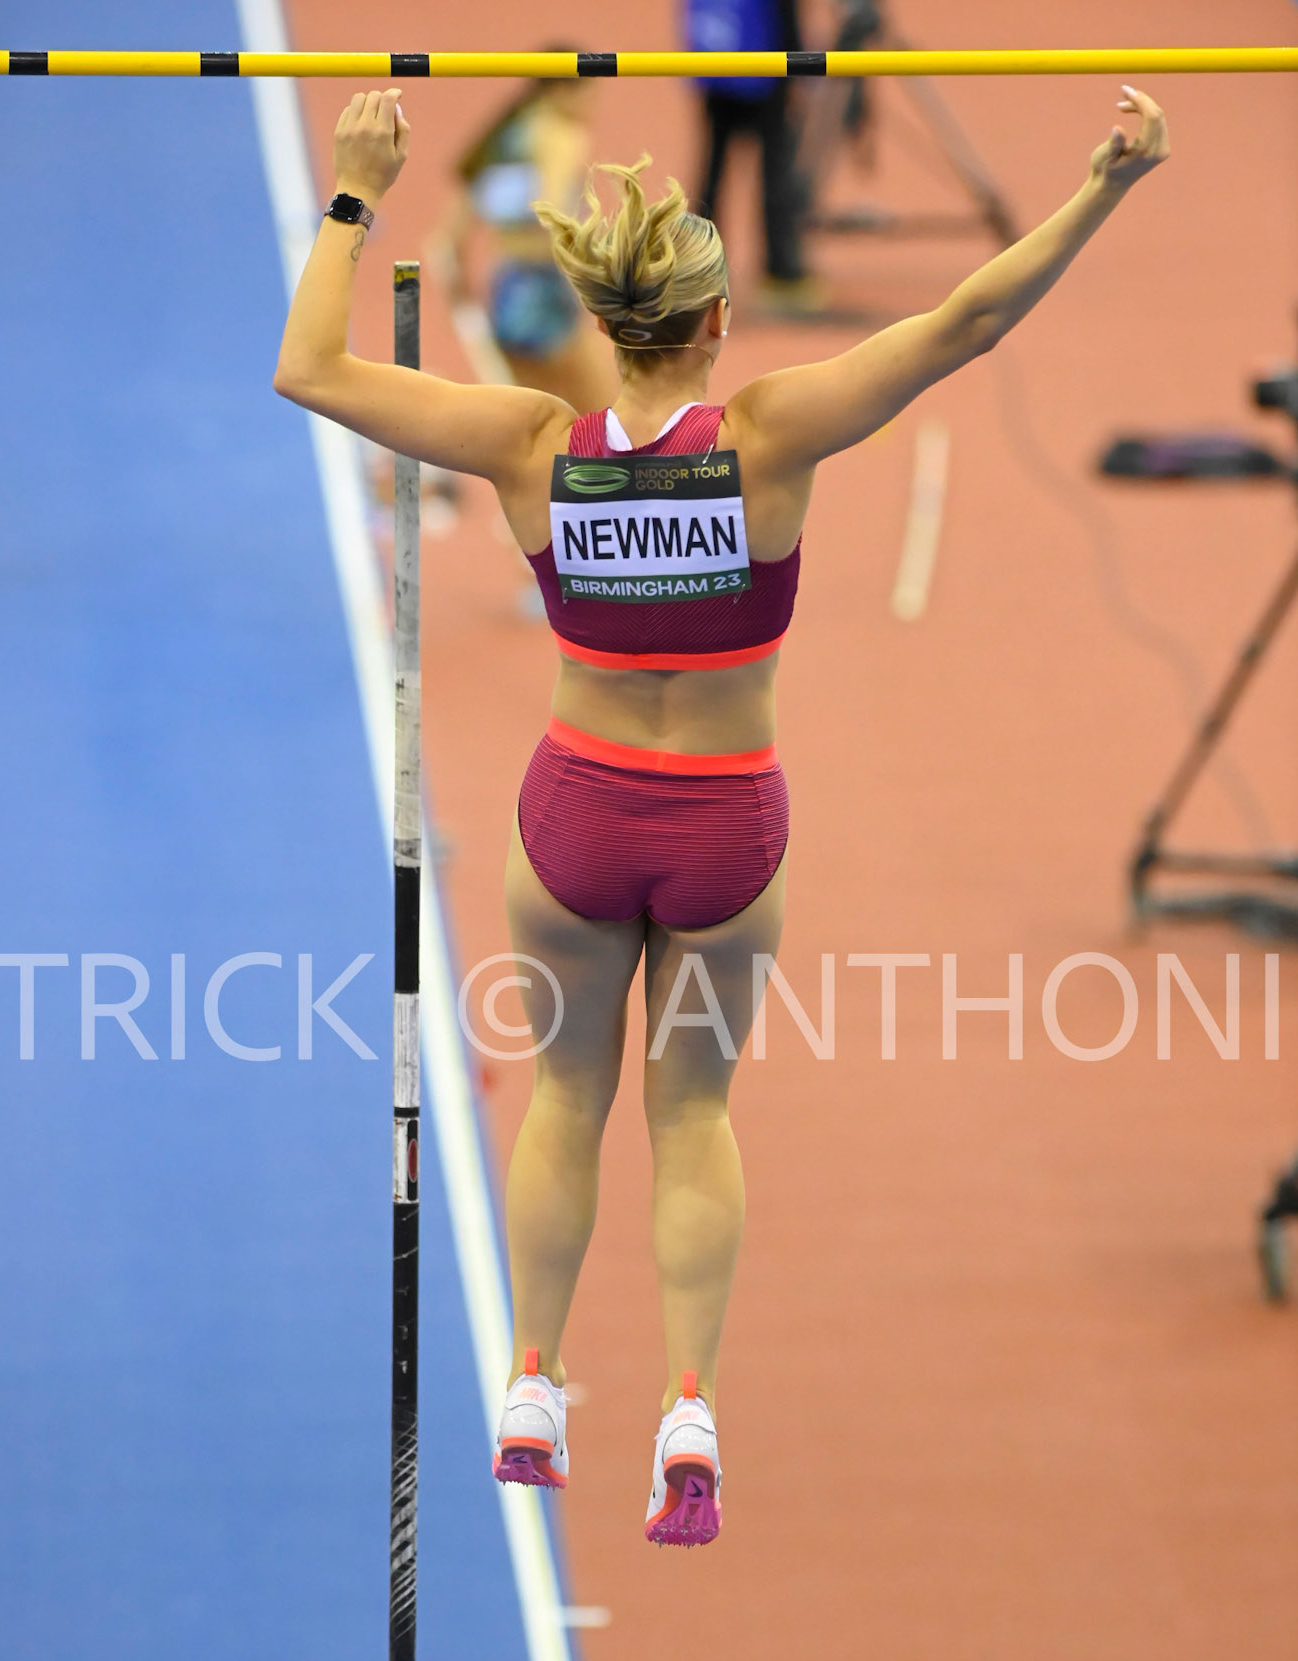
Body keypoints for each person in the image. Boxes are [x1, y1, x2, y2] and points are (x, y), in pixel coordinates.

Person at [274, 84, 1169, 1545]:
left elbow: (310, 368)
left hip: (576, 812)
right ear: (706, 325)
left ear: (610, 320)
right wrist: (1106, 185)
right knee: (691, 1114)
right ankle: (688, 1402)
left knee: (568, 1095)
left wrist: (360, 189)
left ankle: (533, 1382)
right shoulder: (769, 437)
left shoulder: (526, 444)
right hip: (725, 827)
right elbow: (966, 325)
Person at [437, 69, 613, 412]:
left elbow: (449, 236)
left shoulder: (504, 138)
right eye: (589, 95)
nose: (594, 105)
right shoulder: (564, 135)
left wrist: (457, 281)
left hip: (507, 288)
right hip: (545, 288)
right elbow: (552, 215)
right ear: (560, 89)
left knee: (536, 421)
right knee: (603, 416)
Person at [684, 0, 819, 312]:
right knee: (774, 171)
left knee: (714, 169)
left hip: (721, 61)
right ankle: (782, 271)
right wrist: (799, 64)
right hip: (763, 65)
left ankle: (694, 265)